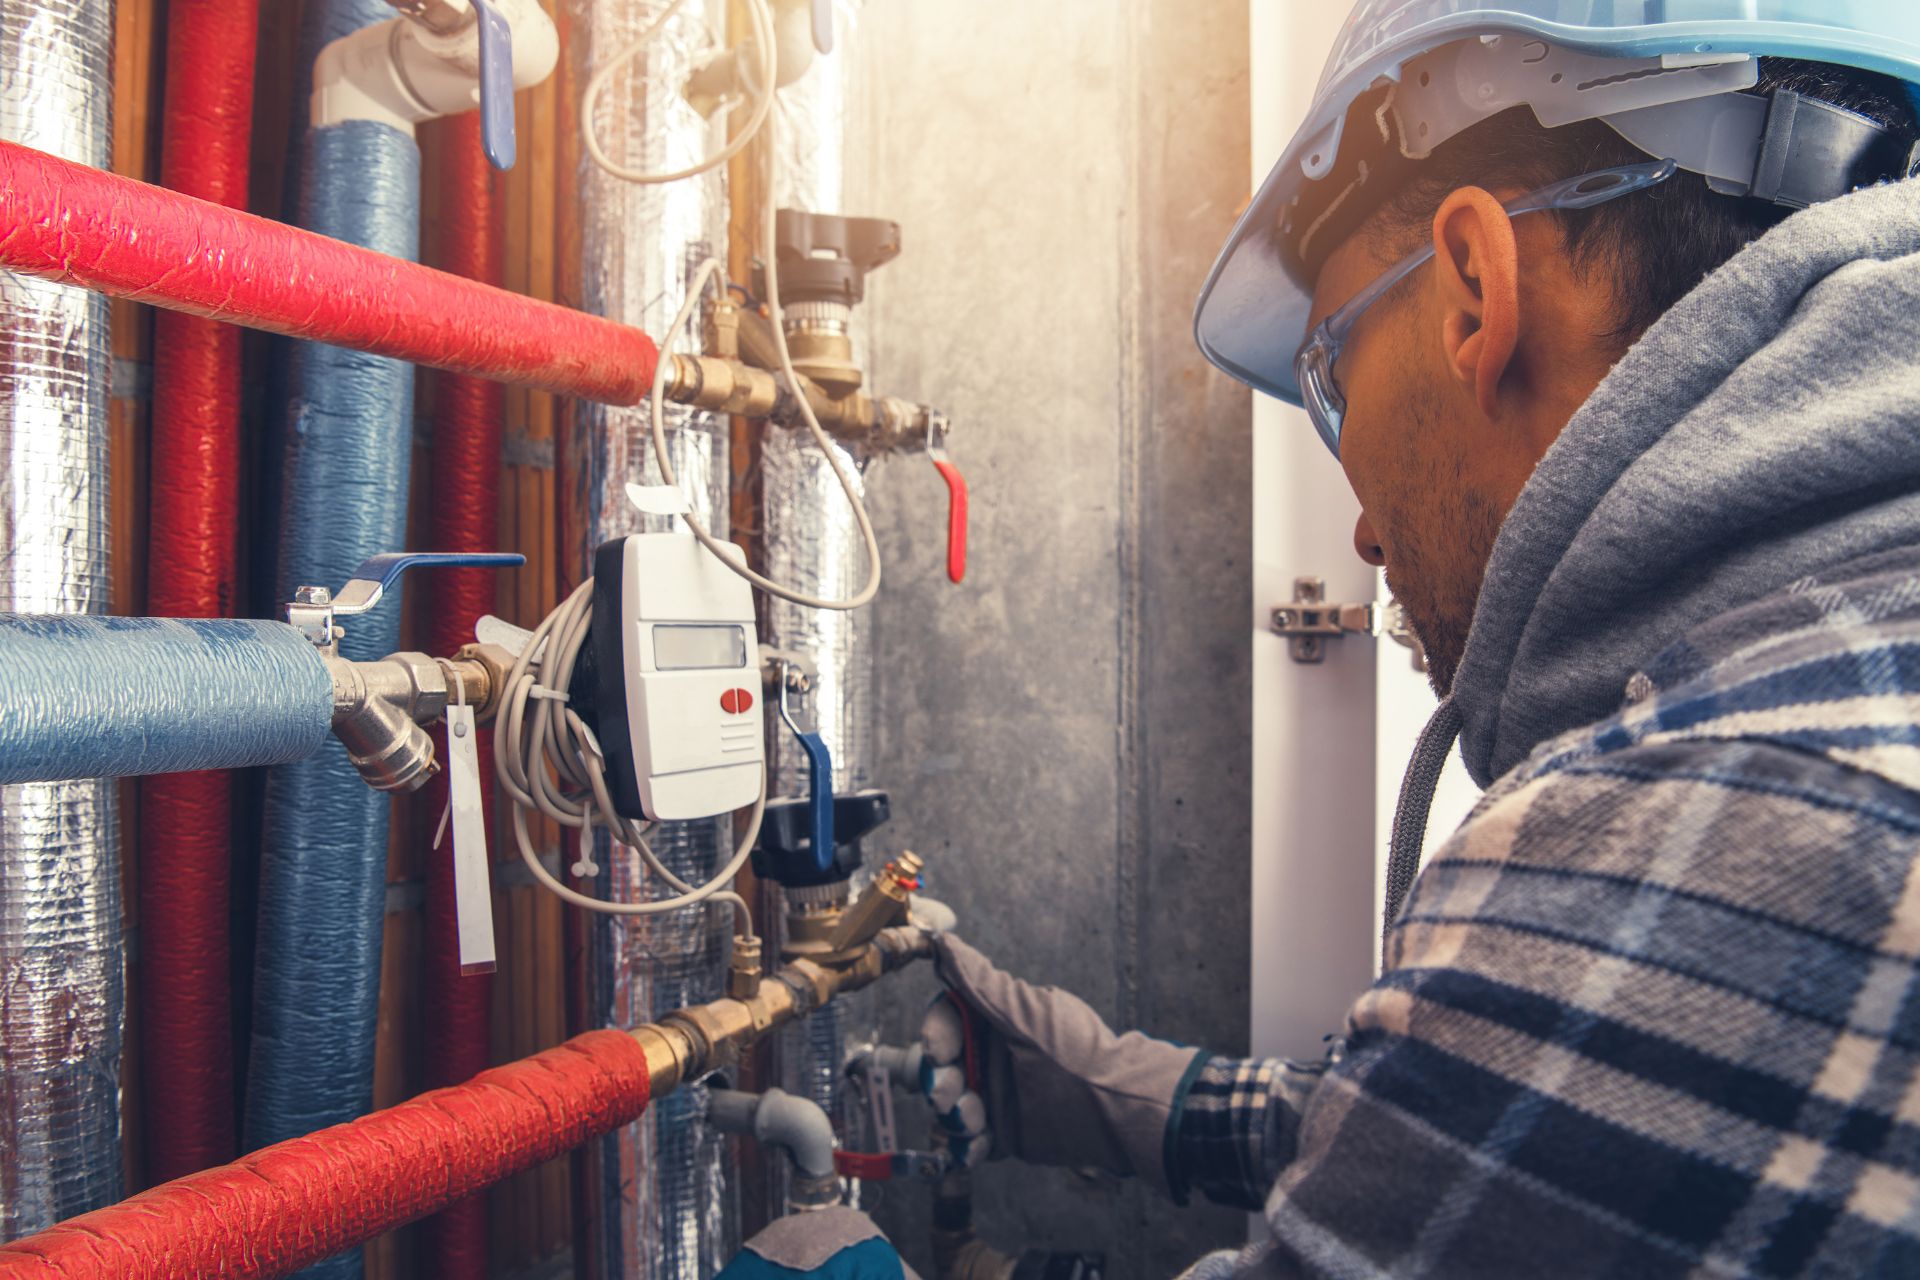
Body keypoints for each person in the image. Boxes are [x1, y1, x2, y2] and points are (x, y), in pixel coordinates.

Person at [727, 4, 1920, 1275]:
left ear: (1474, 290)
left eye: (1333, 379)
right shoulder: (1831, 680)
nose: (1359, 528)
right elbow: (1581, 1142)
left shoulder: (1702, 830)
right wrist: (1147, 1095)